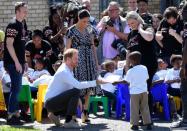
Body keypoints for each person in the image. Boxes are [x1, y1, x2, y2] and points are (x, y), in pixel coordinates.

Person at [44, 48, 107, 128]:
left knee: (75, 94)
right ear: (68, 59)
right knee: (76, 91)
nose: (78, 60)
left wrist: (78, 99)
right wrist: (96, 82)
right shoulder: (64, 71)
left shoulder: (68, 69)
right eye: (76, 58)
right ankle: (69, 121)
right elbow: (78, 86)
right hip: (51, 103)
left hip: (52, 102)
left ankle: (55, 115)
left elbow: (71, 87)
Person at [65, 9, 99, 123]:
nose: (86, 23)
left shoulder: (90, 28)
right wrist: (67, 64)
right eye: (84, 21)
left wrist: (96, 62)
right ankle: (74, 114)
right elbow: (67, 48)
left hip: (89, 59)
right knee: (77, 87)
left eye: (87, 21)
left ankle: (85, 112)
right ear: (78, 18)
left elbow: (93, 46)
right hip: (77, 60)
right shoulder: (71, 30)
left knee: (89, 87)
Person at [3, 2, 28, 125]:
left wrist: (24, 61)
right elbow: (9, 44)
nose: (26, 13)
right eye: (24, 10)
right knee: (16, 89)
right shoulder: (13, 25)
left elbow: (21, 46)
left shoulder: (22, 25)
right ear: (17, 11)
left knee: (17, 89)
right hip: (13, 63)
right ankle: (11, 115)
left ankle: (16, 114)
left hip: (19, 62)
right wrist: (17, 62)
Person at [114, 51, 152, 130]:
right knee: (145, 107)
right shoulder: (144, 67)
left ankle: (135, 125)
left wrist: (117, 82)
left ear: (133, 61)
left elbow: (126, 82)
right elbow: (146, 78)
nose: (129, 62)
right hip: (144, 91)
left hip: (134, 92)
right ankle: (148, 124)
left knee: (134, 108)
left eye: (130, 60)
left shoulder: (130, 71)